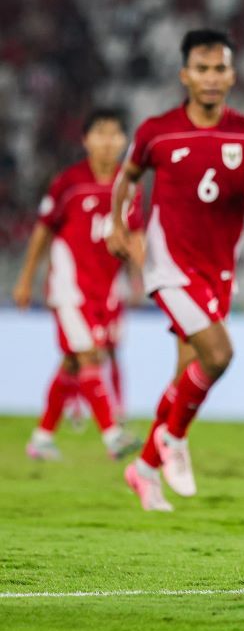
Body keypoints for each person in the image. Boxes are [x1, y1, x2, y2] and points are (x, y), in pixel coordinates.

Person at [108, 29, 244, 512]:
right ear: (185, 75)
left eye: (220, 69)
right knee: (219, 355)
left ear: (231, 74)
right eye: (202, 69)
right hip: (169, 267)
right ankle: (175, 439)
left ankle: (143, 469)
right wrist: (119, 226)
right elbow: (127, 180)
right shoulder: (156, 130)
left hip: (218, 271)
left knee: (189, 370)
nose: (211, 78)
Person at [13, 109, 143, 461]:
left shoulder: (128, 187)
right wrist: (26, 278)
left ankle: (41, 438)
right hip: (70, 288)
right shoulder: (69, 183)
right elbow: (43, 230)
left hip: (106, 287)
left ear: (123, 141)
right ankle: (113, 435)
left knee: (73, 362)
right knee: (89, 355)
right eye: (100, 134)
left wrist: (137, 276)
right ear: (85, 140)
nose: (108, 141)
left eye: (115, 134)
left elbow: (134, 236)